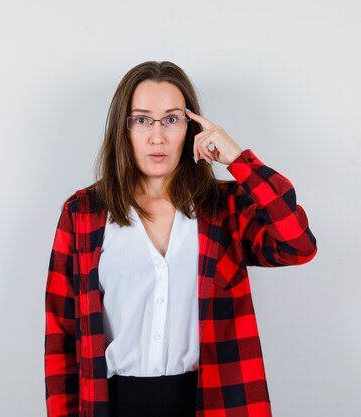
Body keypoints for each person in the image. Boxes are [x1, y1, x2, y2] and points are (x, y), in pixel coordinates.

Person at [44, 61, 317, 417]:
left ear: (191, 128)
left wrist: (238, 160)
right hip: (111, 403)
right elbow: (61, 338)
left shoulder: (225, 209)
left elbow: (298, 245)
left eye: (171, 119)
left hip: (211, 401)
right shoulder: (82, 214)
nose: (157, 137)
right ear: (122, 129)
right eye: (142, 120)